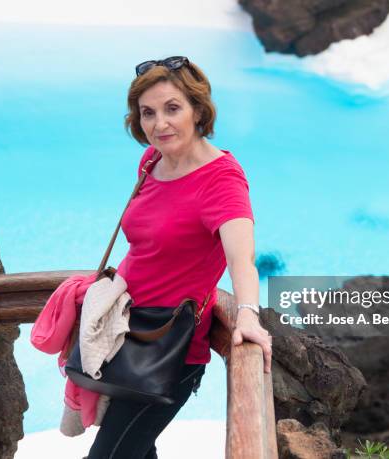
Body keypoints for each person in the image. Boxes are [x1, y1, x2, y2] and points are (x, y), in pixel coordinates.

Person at [86, 56, 272, 459]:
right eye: (148, 113)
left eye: (173, 109)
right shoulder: (151, 160)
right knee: (136, 451)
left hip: (168, 350)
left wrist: (248, 314)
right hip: (124, 334)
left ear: (198, 110)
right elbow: (146, 246)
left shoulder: (221, 178)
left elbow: (243, 258)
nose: (159, 124)